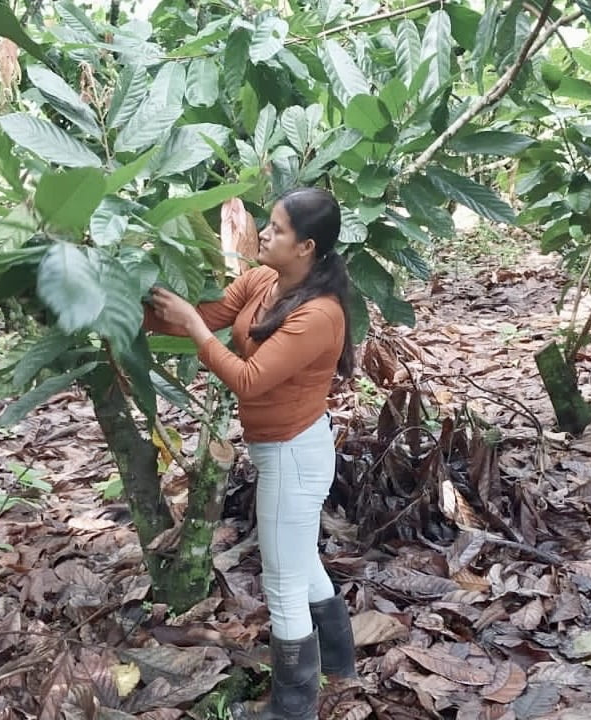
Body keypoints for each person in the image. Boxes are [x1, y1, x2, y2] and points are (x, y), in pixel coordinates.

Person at [146, 187, 357, 719]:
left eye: (278, 230)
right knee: (301, 559)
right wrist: (131, 306)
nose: (263, 233)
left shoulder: (319, 314)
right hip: (285, 449)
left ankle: (293, 708)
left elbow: (250, 381)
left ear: (306, 247)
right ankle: (337, 661)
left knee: (282, 582)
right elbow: (209, 312)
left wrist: (194, 330)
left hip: (292, 452)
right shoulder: (265, 279)